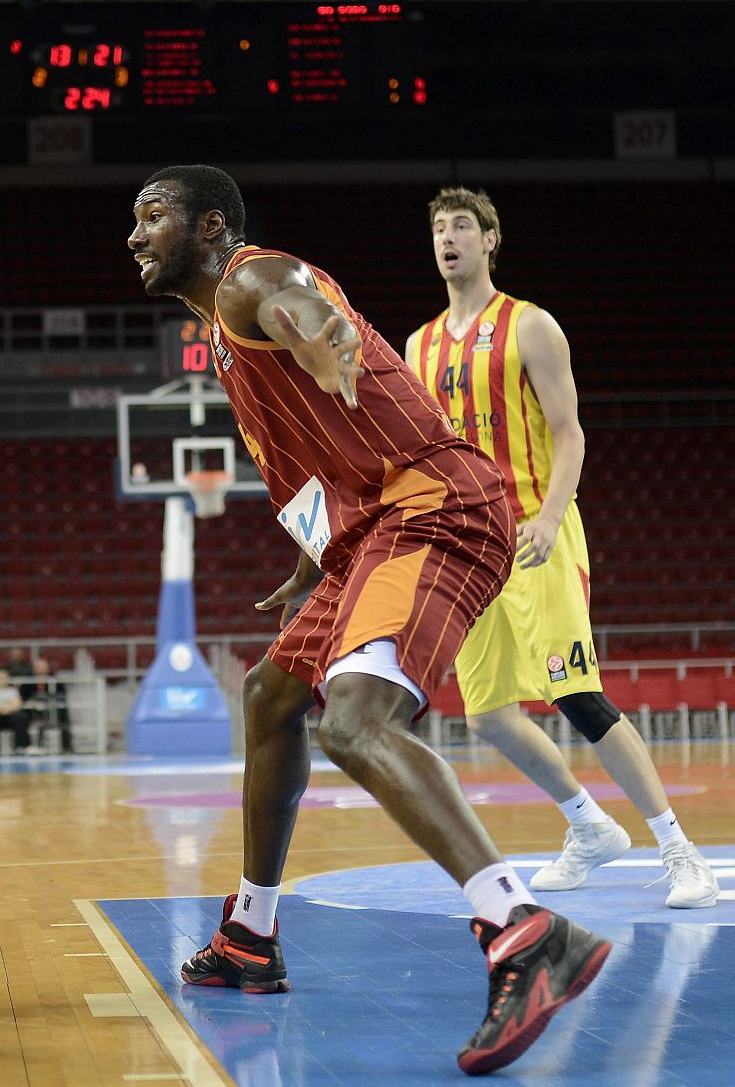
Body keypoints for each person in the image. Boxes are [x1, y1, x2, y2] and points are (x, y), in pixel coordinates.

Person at [128, 164, 612, 1076]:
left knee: (353, 721)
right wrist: (311, 562)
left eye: (153, 216)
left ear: (211, 225)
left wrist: (320, 335)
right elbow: (322, 462)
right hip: (363, 539)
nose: (134, 234)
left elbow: (300, 304)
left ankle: (523, 928)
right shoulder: (224, 342)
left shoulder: (248, 280)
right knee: (272, 696)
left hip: (435, 506)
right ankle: (251, 935)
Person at [406, 187, 717, 908]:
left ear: (490, 240)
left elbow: (570, 432)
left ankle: (680, 850)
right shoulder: (419, 346)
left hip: (534, 533)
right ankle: (588, 824)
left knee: (575, 692)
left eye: (461, 227)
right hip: (468, 549)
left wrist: (549, 517)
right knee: (485, 713)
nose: (447, 238)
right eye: (438, 229)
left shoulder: (530, 326)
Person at [0, 668, 30, 754]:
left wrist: (3, 708)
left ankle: (21, 746)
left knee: (21, 718)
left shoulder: (13, 691)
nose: (1, 680)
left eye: (3, 678)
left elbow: (17, 705)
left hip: (11, 716)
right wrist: (4, 708)